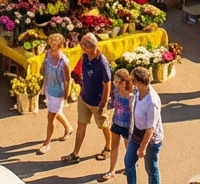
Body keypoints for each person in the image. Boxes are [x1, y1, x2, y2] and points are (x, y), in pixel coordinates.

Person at [64, 33, 112, 164]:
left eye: (84, 46)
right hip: (84, 98)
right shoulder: (85, 56)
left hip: (97, 102)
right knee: (81, 125)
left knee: (104, 125)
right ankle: (75, 154)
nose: (82, 48)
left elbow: (107, 83)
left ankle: (109, 147)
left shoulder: (102, 62)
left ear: (92, 47)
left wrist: (103, 103)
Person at [124, 66, 162, 184]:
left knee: (151, 169)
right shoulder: (138, 91)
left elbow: (150, 129)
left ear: (140, 82)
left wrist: (143, 147)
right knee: (129, 161)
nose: (132, 83)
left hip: (150, 140)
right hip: (137, 132)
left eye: (134, 80)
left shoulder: (152, 102)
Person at [38, 33, 73, 155]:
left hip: (58, 91)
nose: (52, 47)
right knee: (55, 112)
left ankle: (47, 143)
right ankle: (68, 128)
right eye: (51, 44)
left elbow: (68, 79)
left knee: (50, 116)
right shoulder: (48, 54)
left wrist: (66, 95)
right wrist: (39, 77)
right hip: (48, 87)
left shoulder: (64, 61)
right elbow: (43, 66)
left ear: (60, 45)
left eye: (55, 45)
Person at [99, 68, 132, 182]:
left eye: (118, 82)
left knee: (129, 150)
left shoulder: (131, 94)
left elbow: (135, 111)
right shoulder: (116, 90)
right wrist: (105, 107)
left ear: (124, 82)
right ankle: (111, 171)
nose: (116, 84)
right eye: (115, 82)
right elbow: (112, 102)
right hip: (116, 122)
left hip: (127, 126)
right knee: (114, 147)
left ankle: (130, 168)